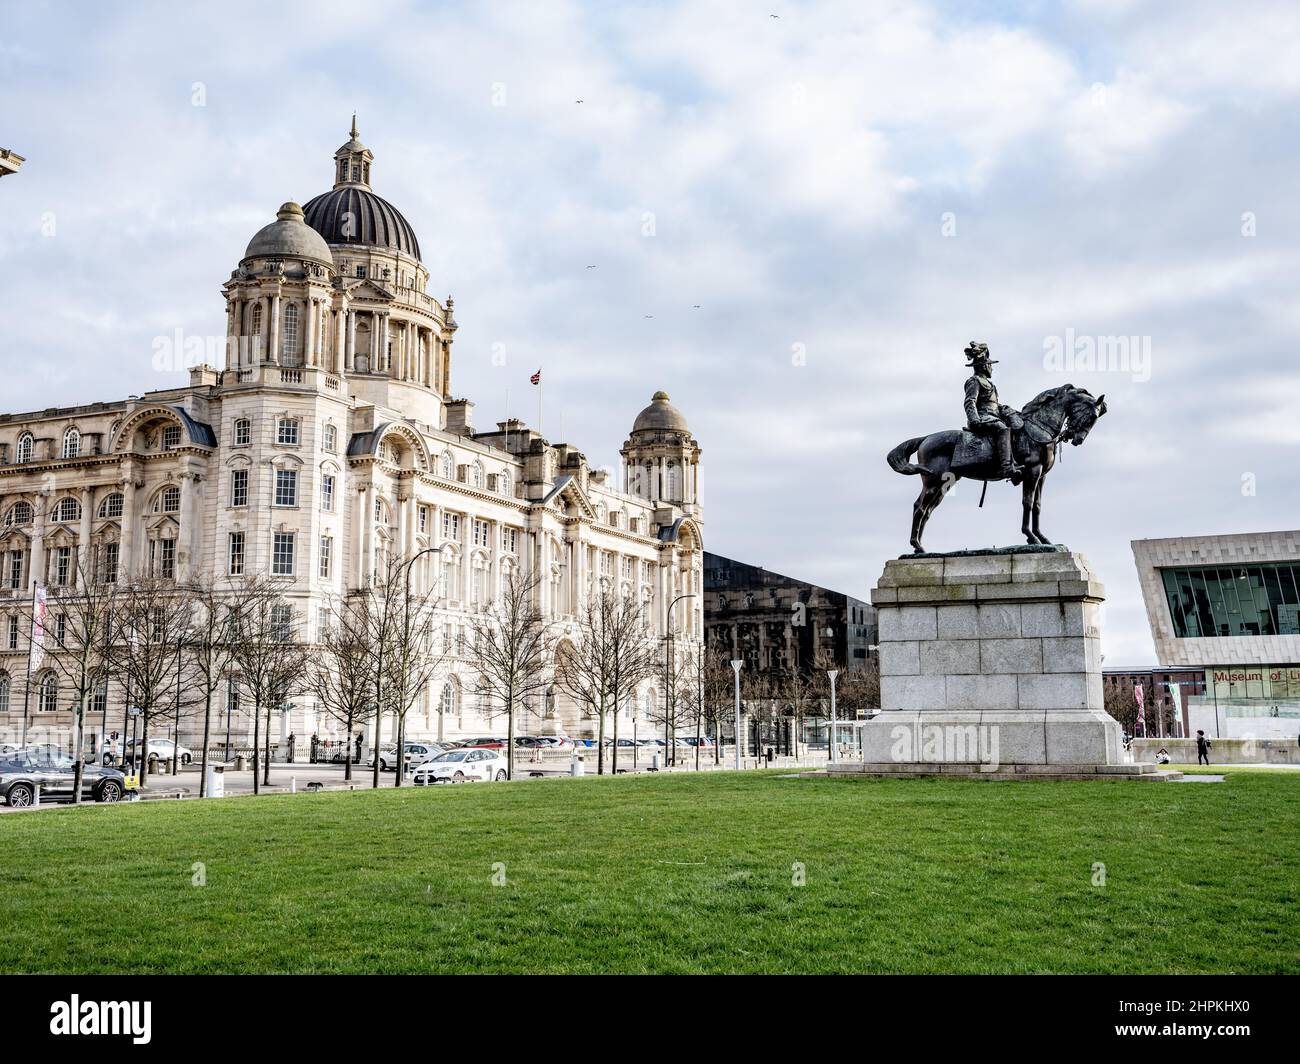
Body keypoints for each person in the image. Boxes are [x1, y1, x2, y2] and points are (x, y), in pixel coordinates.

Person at [962, 341, 1024, 485]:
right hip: (983, 417)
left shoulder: (991, 385)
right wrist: (974, 419)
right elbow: (970, 401)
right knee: (1001, 428)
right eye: (990, 365)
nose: (992, 368)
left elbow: (993, 404)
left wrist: (1007, 410)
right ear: (984, 365)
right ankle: (1007, 468)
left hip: (994, 416)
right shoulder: (974, 381)